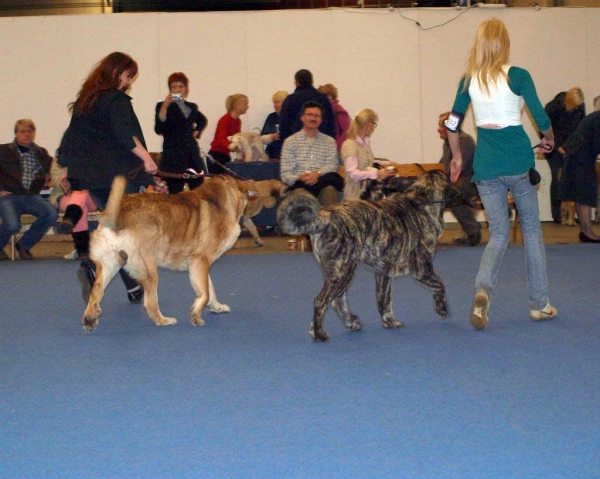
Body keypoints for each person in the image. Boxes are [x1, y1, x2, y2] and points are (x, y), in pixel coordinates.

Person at [445, 18, 557, 330]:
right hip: (519, 164)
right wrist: (548, 138)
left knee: (497, 235)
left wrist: (455, 155)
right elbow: (540, 116)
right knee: (532, 232)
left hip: (487, 167)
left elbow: (451, 123)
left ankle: (483, 290)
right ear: (504, 43)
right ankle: (539, 304)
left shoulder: (468, 81)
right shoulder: (519, 75)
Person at [58, 51, 158, 304]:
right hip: (119, 176)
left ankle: (133, 287)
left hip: (93, 180)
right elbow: (125, 134)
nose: (129, 82)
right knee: (128, 232)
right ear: (116, 72)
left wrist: (67, 168)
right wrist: (147, 159)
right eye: (128, 75)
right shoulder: (116, 101)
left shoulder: (86, 101)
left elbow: (71, 137)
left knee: (119, 231)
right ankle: (93, 266)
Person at [0, 119, 58, 260]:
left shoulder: (41, 153)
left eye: (30, 131)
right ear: (16, 134)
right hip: (9, 196)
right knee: (13, 225)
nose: (27, 134)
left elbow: (55, 167)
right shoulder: (3, 150)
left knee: (51, 214)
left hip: (31, 196)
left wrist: (52, 175)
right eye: (23, 131)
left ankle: (24, 245)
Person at [280, 101, 342, 207]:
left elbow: (332, 166)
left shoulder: (329, 141)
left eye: (317, 116)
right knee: (300, 195)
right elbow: (285, 174)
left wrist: (317, 173)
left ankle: (331, 223)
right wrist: (300, 178)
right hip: (299, 186)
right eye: (309, 115)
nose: (313, 118)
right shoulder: (290, 142)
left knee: (330, 190)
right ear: (302, 117)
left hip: (322, 182)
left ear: (321, 120)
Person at [155, 72, 208, 194]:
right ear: (170, 90)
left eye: (181, 86)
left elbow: (202, 119)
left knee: (200, 192)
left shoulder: (191, 107)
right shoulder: (162, 106)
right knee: (174, 195)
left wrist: (197, 131)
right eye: (174, 87)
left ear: (186, 89)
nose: (178, 89)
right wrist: (165, 106)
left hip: (192, 155)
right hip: (173, 157)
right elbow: (158, 129)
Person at [438, 111, 482, 246]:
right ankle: (471, 229)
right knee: (444, 192)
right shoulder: (447, 143)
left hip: (471, 183)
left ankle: (473, 229)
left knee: (451, 194)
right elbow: (442, 166)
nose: (438, 129)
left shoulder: (464, 141)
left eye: (441, 125)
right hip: (458, 183)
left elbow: (459, 168)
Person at [543, 87, 586, 223]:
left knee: (572, 179)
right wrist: (557, 146)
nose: (577, 108)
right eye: (575, 105)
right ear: (569, 101)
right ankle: (557, 215)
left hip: (570, 148)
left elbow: (580, 130)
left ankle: (571, 216)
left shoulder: (580, 108)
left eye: (579, 106)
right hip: (553, 147)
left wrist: (569, 147)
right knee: (557, 177)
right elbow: (544, 128)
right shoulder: (553, 106)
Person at [558, 110, 600, 243]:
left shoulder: (595, 117)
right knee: (584, 196)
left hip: (577, 157)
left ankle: (586, 231)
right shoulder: (598, 119)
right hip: (581, 159)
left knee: (581, 196)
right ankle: (588, 232)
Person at [49, 157, 99, 259]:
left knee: (81, 192)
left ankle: (81, 248)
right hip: (65, 196)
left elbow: (98, 180)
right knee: (81, 207)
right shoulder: (59, 160)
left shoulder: (94, 157)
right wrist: (64, 184)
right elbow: (56, 178)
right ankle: (83, 251)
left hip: (90, 197)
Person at [341, 108, 394, 201]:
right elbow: (354, 174)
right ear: (367, 124)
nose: (374, 127)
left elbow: (368, 160)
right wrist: (377, 173)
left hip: (369, 192)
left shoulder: (365, 143)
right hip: (356, 195)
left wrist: (388, 163)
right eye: (374, 123)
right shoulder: (349, 145)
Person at [278, 69, 336, 143]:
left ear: (296, 83)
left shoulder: (290, 99)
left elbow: (283, 126)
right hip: (321, 144)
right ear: (311, 81)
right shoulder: (323, 99)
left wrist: (287, 142)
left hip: (296, 145)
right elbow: (330, 124)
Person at [207, 93, 248, 173]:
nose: (247, 106)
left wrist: (241, 155)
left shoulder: (238, 121)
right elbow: (220, 139)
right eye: (245, 104)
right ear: (237, 105)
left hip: (224, 156)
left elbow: (237, 140)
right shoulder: (225, 119)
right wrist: (233, 148)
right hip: (216, 155)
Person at [318, 83, 351, 153]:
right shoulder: (325, 111)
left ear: (330, 96)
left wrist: (335, 146)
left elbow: (347, 132)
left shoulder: (339, 111)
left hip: (337, 151)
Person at [260, 90, 288, 160]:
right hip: (272, 153)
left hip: (287, 153)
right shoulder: (271, 117)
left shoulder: (292, 117)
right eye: (274, 103)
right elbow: (261, 138)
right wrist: (271, 137)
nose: (275, 105)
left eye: (278, 102)